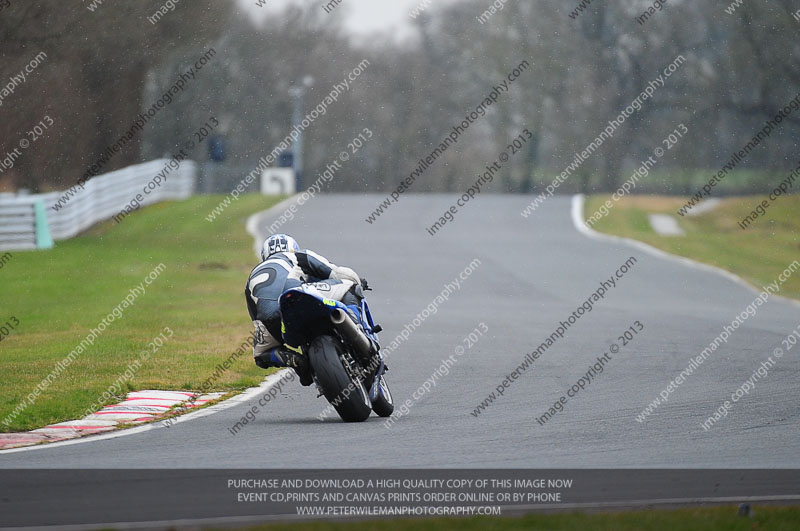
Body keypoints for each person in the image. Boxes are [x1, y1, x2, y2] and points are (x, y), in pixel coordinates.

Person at [244, 233, 370, 385]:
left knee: (260, 355)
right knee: (351, 286)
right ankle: (355, 324)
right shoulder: (297, 255)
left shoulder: (251, 277)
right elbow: (336, 272)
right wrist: (357, 280)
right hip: (297, 294)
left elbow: (256, 317)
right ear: (293, 247)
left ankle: (295, 360)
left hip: (272, 319)